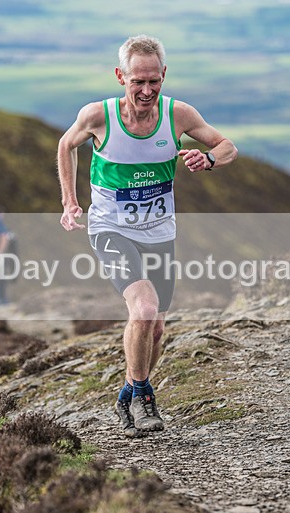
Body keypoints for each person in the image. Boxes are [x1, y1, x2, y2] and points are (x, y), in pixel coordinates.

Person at [57, 35, 238, 437]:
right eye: (137, 81)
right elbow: (66, 145)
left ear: (164, 75)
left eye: (153, 81)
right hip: (111, 229)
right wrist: (70, 201)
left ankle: (129, 391)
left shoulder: (178, 115)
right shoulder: (99, 116)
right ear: (120, 76)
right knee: (143, 308)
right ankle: (142, 397)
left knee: (155, 328)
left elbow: (228, 147)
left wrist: (209, 158)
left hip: (159, 233)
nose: (146, 90)